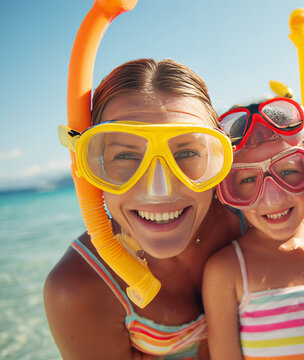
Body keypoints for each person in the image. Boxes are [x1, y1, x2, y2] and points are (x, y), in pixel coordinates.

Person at [44, 58, 243, 359]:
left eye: (187, 152)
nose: (159, 191)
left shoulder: (250, 222)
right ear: (89, 166)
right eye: (125, 156)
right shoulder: (80, 286)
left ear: (220, 158)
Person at [202, 97, 304, 359]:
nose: (273, 198)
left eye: (290, 171)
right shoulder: (227, 271)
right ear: (227, 191)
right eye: (248, 179)